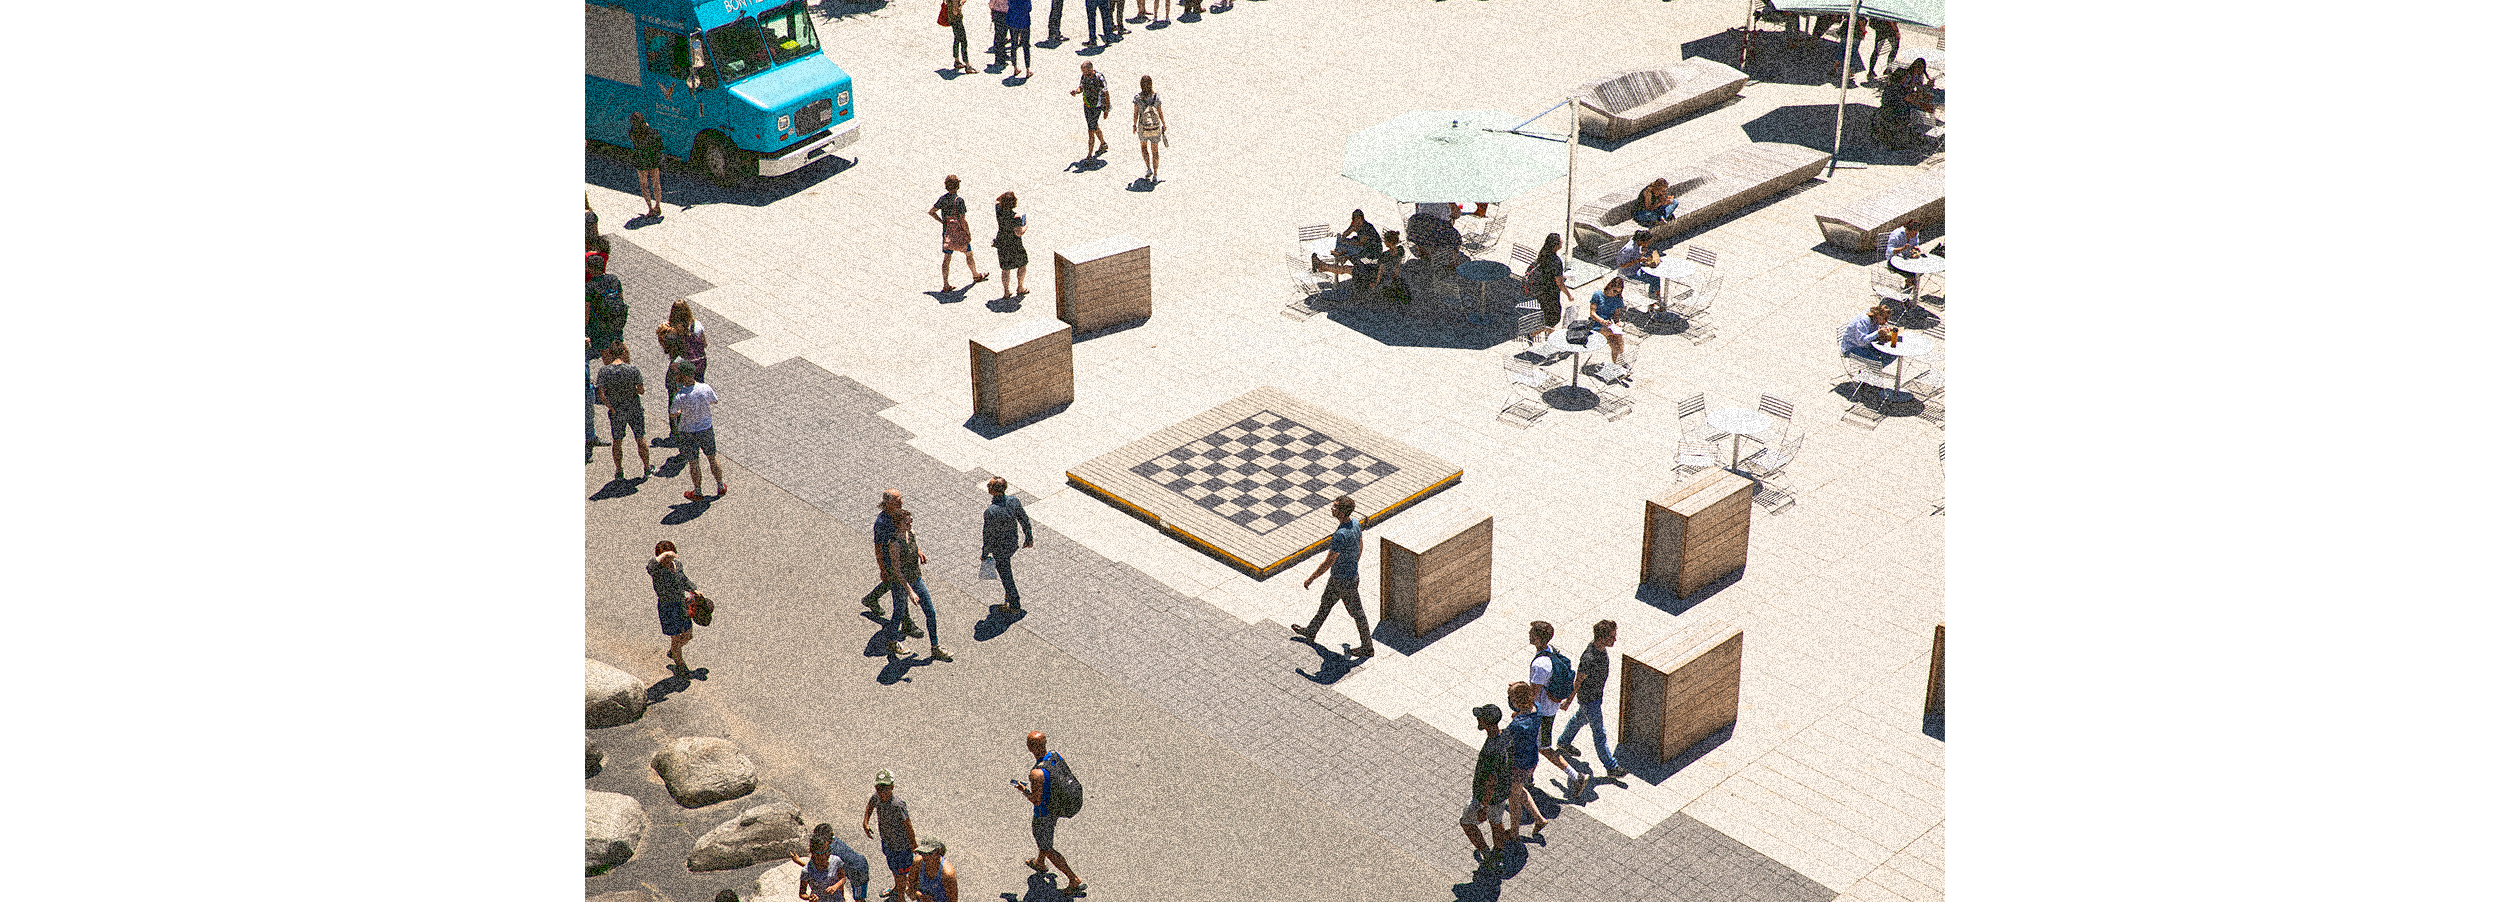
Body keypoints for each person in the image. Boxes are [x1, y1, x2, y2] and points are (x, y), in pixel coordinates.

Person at [1292, 496, 1374, 657]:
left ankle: (1368, 647)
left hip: (1344, 581)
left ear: (1342, 513)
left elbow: (1329, 560)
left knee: (1357, 613)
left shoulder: (1340, 535)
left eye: (1335, 507)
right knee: (1326, 604)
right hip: (1342, 577)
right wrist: (1354, 563)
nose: (1332, 508)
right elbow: (1360, 544)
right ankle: (1311, 631)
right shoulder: (1356, 524)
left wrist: (1311, 578)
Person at [1555, 620, 1628, 798]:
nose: (1615, 640)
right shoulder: (1589, 658)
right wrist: (1568, 700)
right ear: (1601, 638)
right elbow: (1578, 681)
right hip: (1590, 700)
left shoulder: (1602, 651)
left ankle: (1563, 742)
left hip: (1595, 697)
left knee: (1579, 719)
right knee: (1599, 733)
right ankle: (1611, 766)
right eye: (1611, 637)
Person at [1014, 731, 1087, 895]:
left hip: (1044, 813)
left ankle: (1073, 880)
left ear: (1029, 748)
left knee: (1045, 845)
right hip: (1056, 807)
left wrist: (1024, 789)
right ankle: (1039, 862)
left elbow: (1036, 800)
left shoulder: (1036, 773)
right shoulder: (1056, 755)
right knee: (1045, 836)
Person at [887, 510, 949, 661]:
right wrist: (910, 592)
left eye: (910, 521)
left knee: (930, 612)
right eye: (906, 522)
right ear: (897, 524)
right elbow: (897, 570)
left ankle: (935, 647)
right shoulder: (894, 544)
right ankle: (892, 642)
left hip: (916, 578)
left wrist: (919, 555)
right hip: (900, 583)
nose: (909, 524)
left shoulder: (911, 533)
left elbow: (914, 549)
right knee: (899, 612)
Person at [863, 490, 923, 641]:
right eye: (898, 501)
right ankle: (907, 624)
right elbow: (878, 547)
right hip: (891, 561)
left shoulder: (899, 514)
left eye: (901, 500)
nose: (901, 503)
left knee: (893, 584)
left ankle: (871, 598)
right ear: (888, 502)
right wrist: (882, 569)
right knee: (901, 590)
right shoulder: (881, 523)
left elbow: (906, 533)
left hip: (903, 557)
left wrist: (917, 550)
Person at [1462, 703, 1516, 870]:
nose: (1478, 719)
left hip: (1487, 797)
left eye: (1480, 718)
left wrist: (1482, 806)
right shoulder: (1507, 735)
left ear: (1485, 722)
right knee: (1496, 821)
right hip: (1503, 791)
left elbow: (1490, 781)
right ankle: (1499, 852)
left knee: (1466, 823)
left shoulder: (1489, 750)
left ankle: (1487, 854)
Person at [595, 342, 655, 480]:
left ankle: (619, 472)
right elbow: (641, 391)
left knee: (617, 441)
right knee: (640, 438)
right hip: (633, 408)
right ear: (623, 352)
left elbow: (601, 394)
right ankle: (646, 468)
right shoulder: (633, 369)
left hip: (617, 411)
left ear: (609, 353)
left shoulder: (604, 371)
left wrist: (611, 407)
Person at [670, 360, 727, 501]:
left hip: (688, 432)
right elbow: (715, 400)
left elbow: (673, 413)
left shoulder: (680, 395)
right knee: (712, 457)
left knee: (694, 462)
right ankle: (720, 486)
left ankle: (698, 491)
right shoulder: (705, 388)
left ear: (682, 376)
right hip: (706, 429)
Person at [860, 770, 919, 902]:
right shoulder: (876, 797)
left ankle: (900, 897)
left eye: (885, 789)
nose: (882, 792)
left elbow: (908, 825)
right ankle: (898, 887)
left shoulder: (898, 805)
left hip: (901, 847)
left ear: (892, 787)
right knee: (894, 869)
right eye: (879, 789)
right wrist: (865, 822)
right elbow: (870, 805)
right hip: (887, 843)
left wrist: (913, 845)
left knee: (902, 873)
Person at [1526, 621, 1574, 775]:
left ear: (1538, 638)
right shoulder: (1551, 651)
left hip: (1543, 712)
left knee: (1543, 748)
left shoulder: (1540, 665)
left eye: (1532, 632)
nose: (1529, 634)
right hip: (1550, 708)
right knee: (1533, 744)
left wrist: (1523, 711)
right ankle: (1528, 777)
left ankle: (1576, 776)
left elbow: (1533, 694)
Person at [1503, 681, 1551, 837]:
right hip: (1531, 758)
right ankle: (1539, 819)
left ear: (1517, 701)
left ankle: (1514, 833)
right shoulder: (1537, 708)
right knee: (1519, 789)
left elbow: (1504, 739)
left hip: (1519, 764)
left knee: (1513, 799)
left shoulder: (1517, 725)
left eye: (1511, 697)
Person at [982, 477, 1035, 614]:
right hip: (1012, 544)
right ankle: (1008, 596)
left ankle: (1014, 604)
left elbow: (987, 536)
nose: (987, 486)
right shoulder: (1014, 501)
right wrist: (1028, 538)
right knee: (1006, 572)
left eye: (989, 485)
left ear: (993, 491)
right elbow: (1024, 520)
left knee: (1006, 576)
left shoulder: (991, 512)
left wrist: (985, 553)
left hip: (1000, 550)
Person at [648, 541, 701, 674]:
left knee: (688, 635)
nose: (668, 560)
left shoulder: (677, 565)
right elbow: (650, 565)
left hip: (681, 605)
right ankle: (680, 666)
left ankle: (673, 652)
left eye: (671, 557)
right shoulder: (657, 570)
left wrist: (694, 590)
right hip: (668, 608)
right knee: (676, 638)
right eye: (666, 558)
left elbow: (683, 580)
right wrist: (664, 555)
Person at [929, 176, 989, 291]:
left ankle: (946, 284)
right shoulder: (959, 200)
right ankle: (976, 275)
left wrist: (942, 222)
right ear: (957, 186)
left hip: (947, 233)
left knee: (947, 258)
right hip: (960, 232)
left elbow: (931, 211)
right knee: (969, 254)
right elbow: (962, 219)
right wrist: (968, 233)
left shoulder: (942, 199)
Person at [792, 822, 871, 902]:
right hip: (856, 864)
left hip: (858, 872)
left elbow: (818, 870)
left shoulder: (831, 854)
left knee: (859, 899)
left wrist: (799, 861)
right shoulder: (832, 842)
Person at [1872, 59, 1936, 151]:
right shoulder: (1898, 89)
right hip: (1897, 115)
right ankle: (1917, 136)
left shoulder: (1892, 88)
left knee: (1919, 110)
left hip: (1887, 113)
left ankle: (1916, 134)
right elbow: (1910, 99)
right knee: (1919, 113)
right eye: (1905, 78)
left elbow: (1910, 96)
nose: (1907, 79)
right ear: (1902, 79)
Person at [1522, 232, 1566, 341]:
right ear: (1555, 246)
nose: (1562, 242)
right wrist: (1569, 295)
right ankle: (1532, 334)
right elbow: (1559, 282)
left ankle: (1551, 339)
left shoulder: (1543, 254)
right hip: (1551, 294)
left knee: (1548, 316)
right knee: (1553, 319)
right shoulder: (1556, 261)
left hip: (1541, 292)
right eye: (1561, 242)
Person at [586, 253, 628, 358]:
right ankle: (626, 367)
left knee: (604, 349)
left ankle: (613, 370)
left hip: (599, 325)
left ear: (590, 268)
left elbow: (586, 311)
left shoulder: (589, 287)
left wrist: (585, 330)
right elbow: (621, 298)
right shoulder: (614, 279)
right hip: (616, 318)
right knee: (619, 344)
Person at [991, 193, 1030, 300]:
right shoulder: (1015, 217)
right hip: (1014, 244)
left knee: (1005, 268)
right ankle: (1020, 287)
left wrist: (1004, 196)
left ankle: (1006, 291)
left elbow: (996, 200)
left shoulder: (999, 210)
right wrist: (1026, 225)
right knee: (1022, 264)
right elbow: (1019, 232)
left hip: (1002, 243)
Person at [1586, 277, 1631, 369]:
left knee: (1614, 345)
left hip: (1608, 325)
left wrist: (1618, 323)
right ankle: (1622, 359)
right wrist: (1602, 321)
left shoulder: (1617, 299)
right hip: (1596, 324)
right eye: (1614, 291)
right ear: (1610, 286)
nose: (1615, 294)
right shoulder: (1598, 295)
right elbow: (1592, 314)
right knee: (1618, 335)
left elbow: (1616, 316)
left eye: (1618, 292)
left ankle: (1618, 367)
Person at [628, 111, 665, 219]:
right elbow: (660, 146)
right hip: (653, 159)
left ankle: (650, 209)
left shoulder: (633, 134)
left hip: (641, 160)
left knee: (644, 185)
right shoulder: (653, 132)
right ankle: (658, 205)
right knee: (656, 183)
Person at [1071, 63, 1111, 158]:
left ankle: (1089, 156)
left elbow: (1106, 93)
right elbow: (1081, 87)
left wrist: (1106, 110)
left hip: (1096, 106)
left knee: (1091, 130)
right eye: (1083, 72)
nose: (1084, 74)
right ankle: (1103, 143)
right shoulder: (1084, 77)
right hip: (1087, 105)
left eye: (1086, 71)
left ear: (1091, 69)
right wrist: (1076, 91)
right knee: (1094, 126)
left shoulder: (1099, 78)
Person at [1132, 75, 1167, 183]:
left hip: (1143, 127)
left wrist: (1134, 125)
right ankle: (1155, 175)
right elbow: (1160, 112)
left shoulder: (1137, 98)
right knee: (1155, 151)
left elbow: (1136, 113)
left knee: (1144, 147)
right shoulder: (1156, 97)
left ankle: (1148, 168)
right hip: (1155, 127)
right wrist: (1164, 125)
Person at [1613, 229, 1664, 301]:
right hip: (1629, 273)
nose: (1648, 244)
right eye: (1647, 242)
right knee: (1654, 279)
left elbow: (1634, 256)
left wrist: (1643, 256)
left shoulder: (1636, 244)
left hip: (1636, 267)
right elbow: (1622, 265)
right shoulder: (1629, 249)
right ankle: (1655, 300)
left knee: (1654, 273)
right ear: (1641, 241)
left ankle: (1654, 298)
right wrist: (1638, 260)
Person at [1882, 219, 1927, 294]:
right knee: (1913, 276)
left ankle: (1907, 290)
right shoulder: (1897, 235)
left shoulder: (1915, 234)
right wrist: (1902, 249)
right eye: (1914, 233)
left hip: (1906, 260)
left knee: (1920, 271)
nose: (1916, 235)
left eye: (1917, 232)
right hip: (1893, 261)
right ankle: (1906, 295)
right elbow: (1889, 251)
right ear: (1908, 230)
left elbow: (1915, 243)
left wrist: (1915, 248)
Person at [1004, 0, 1033, 79]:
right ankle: (1027, 69)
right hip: (1024, 21)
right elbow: (1029, 8)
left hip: (1013, 20)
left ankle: (1015, 68)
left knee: (1013, 45)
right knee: (1026, 46)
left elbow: (1009, 4)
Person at [943, 0, 971, 73]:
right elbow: (955, 12)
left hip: (951, 19)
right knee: (963, 41)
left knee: (957, 39)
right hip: (957, 20)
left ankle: (957, 60)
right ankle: (967, 65)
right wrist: (962, 4)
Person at [987, 0, 1010, 69]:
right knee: (999, 36)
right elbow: (991, 3)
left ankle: (1002, 54)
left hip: (1004, 13)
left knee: (1003, 36)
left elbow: (991, 4)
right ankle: (999, 58)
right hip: (1000, 14)